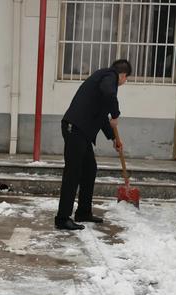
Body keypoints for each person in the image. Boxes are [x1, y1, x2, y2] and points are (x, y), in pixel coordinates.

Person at [55, 59, 132, 230]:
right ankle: (62, 218)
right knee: (73, 173)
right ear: (123, 75)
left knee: (90, 169)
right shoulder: (109, 76)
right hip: (74, 128)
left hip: (81, 132)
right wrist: (116, 114)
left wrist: (113, 138)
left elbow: (102, 116)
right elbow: (109, 94)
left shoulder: (104, 81)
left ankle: (83, 212)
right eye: (126, 79)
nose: (125, 82)